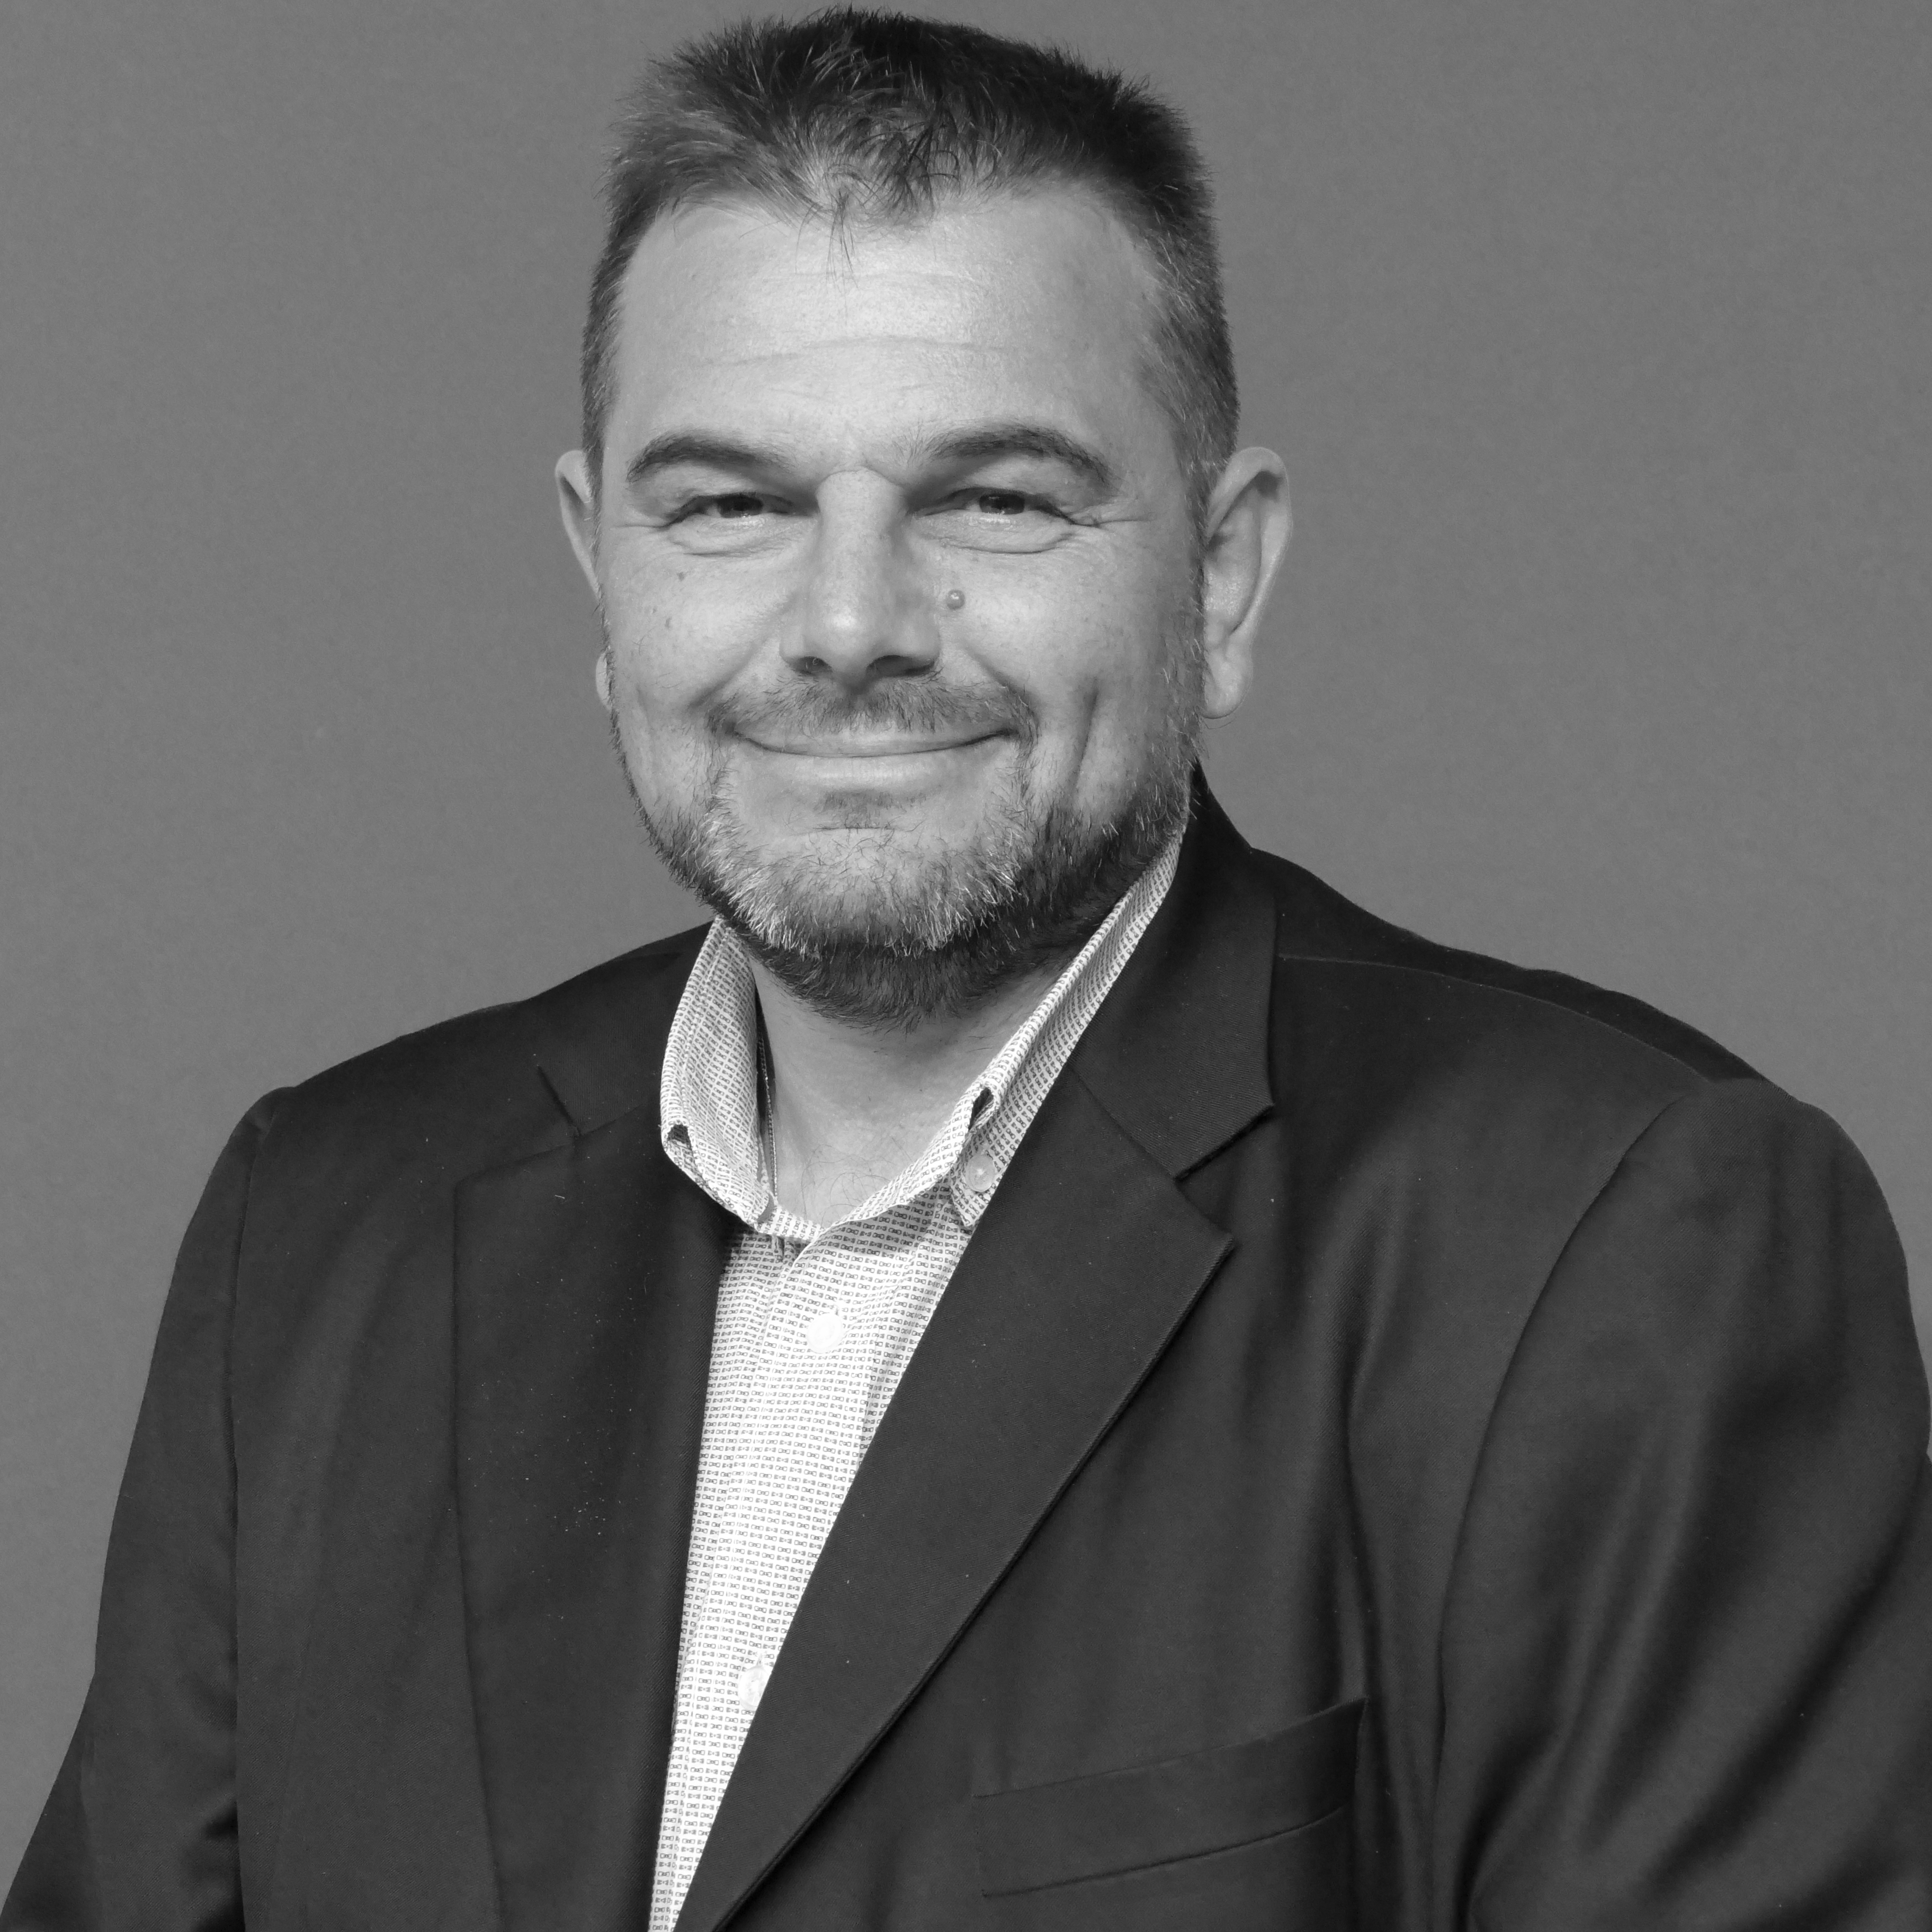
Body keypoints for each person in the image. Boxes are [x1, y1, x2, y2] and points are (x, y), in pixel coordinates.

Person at [7, 10, 1929, 1928]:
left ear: (1224, 574)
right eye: (731, 504)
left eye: (996, 498)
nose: (851, 625)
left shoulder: (1618, 1246)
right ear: (602, 571)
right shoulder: (322, 1233)